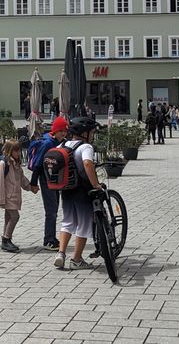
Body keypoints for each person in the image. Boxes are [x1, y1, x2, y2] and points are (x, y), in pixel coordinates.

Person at [53, 116, 104, 271]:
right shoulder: (85, 147)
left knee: (67, 221)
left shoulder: (64, 143)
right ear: (85, 133)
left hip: (66, 189)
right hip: (83, 190)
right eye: (92, 132)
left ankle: (61, 254)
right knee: (83, 223)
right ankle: (76, 259)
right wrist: (95, 184)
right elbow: (87, 163)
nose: (93, 135)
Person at [30, 116, 69, 250]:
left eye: (65, 130)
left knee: (54, 208)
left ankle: (51, 237)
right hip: (46, 180)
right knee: (51, 211)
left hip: (55, 179)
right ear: (55, 130)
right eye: (61, 130)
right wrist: (33, 183)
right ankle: (48, 240)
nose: (63, 133)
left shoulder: (60, 141)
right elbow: (37, 164)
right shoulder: (47, 143)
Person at [0, 140, 37, 252]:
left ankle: (6, 240)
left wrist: (30, 187)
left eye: (19, 150)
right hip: (7, 197)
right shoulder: (3, 164)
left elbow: (22, 179)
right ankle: (6, 239)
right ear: (9, 151)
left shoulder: (16, 164)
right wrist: (0, 199)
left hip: (14, 196)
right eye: (16, 151)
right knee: (15, 217)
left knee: (8, 218)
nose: (18, 153)